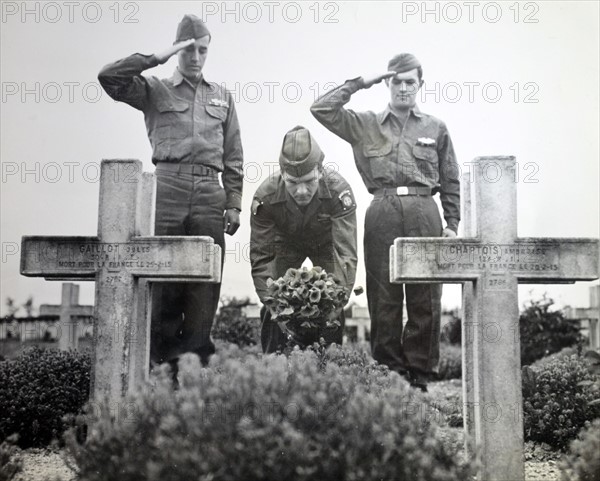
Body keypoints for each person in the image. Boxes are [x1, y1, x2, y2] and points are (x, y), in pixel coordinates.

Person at [98, 14, 243, 367]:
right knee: (161, 286)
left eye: (202, 50)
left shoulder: (222, 97)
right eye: (188, 50)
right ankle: (160, 377)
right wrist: (156, 57)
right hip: (167, 190)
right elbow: (109, 78)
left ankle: (193, 379)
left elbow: (234, 153)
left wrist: (234, 203)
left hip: (210, 193)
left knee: (204, 287)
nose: (195, 57)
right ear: (178, 50)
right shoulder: (154, 89)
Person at [310, 53, 460, 391]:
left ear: (420, 84)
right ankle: (389, 374)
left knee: (425, 296)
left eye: (411, 81)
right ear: (387, 84)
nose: (404, 88)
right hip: (382, 208)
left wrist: (452, 222)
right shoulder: (366, 124)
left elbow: (451, 178)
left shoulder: (435, 127)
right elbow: (321, 110)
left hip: (425, 208)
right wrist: (361, 82)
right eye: (397, 81)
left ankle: (420, 375)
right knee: (383, 296)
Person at [250, 126, 358, 353]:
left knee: (332, 302)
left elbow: (345, 254)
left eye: (309, 181)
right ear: (282, 174)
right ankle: (274, 369)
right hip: (285, 243)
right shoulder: (265, 196)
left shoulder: (340, 192)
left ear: (320, 171)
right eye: (292, 182)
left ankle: (330, 369)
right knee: (273, 303)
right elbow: (262, 258)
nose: (301, 191)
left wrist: (336, 305)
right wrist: (274, 307)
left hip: (326, 244)